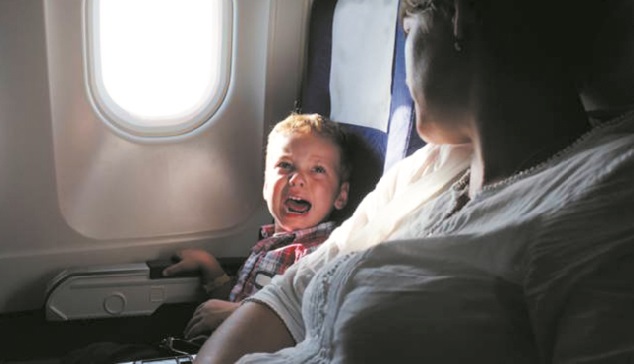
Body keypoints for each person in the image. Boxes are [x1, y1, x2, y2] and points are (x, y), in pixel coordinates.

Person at [195, 0, 634, 363]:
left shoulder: (610, 190)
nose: (404, 67)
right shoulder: (425, 167)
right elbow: (289, 297)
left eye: (409, 28)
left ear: (460, 15)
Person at [163, 112, 352, 339]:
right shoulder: (270, 244)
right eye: (286, 165)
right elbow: (237, 298)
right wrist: (210, 267)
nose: (297, 179)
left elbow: (308, 321)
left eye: (318, 169)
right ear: (265, 185)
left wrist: (237, 314)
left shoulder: (320, 254)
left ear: (341, 195)